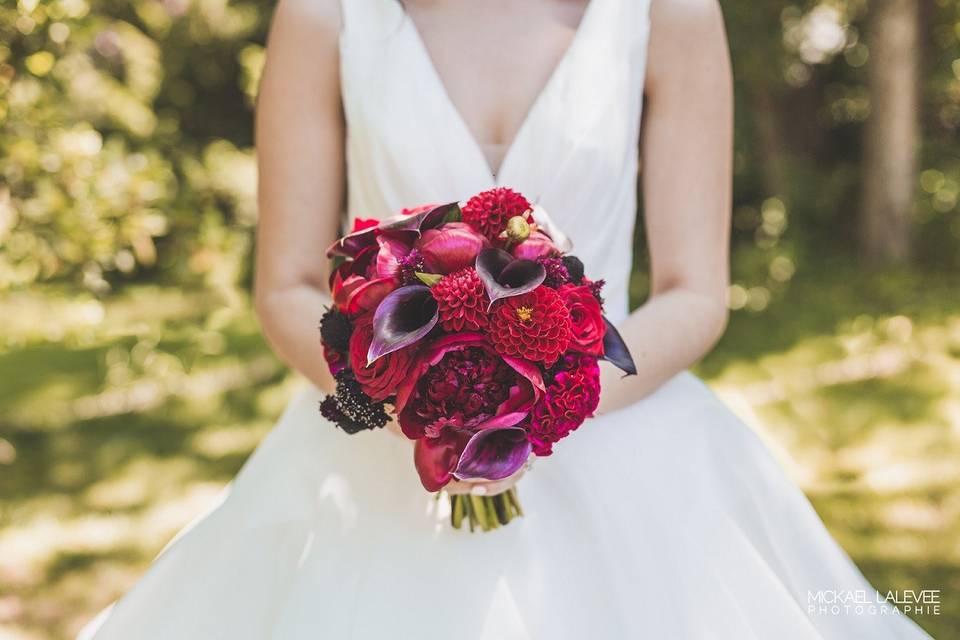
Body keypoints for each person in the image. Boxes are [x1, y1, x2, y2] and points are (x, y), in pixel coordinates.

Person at [78, 0, 934, 637]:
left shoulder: (669, 12)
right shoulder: (325, 14)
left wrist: (539, 405)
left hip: (617, 426)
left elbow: (695, 292)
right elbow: (286, 285)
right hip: (374, 451)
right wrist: (414, 401)